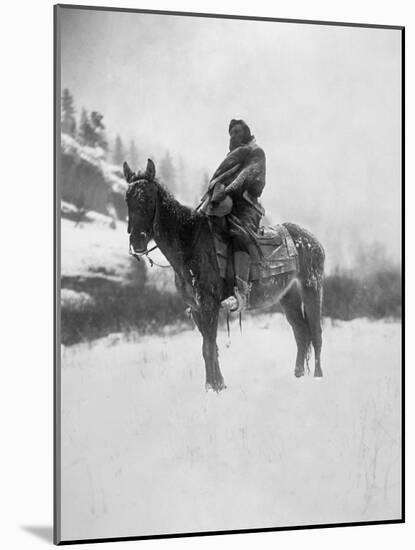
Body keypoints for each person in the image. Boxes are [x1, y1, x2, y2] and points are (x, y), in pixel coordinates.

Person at [203, 119, 266, 312]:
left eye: (237, 131)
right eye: (231, 133)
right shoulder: (231, 159)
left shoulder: (256, 153)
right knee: (208, 235)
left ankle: (241, 292)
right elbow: (219, 181)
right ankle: (209, 290)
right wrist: (214, 194)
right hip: (226, 206)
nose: (233, 135)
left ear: (246, 133)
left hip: (247, 207)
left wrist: (227, 190)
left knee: (239, 235)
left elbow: (246, 176)